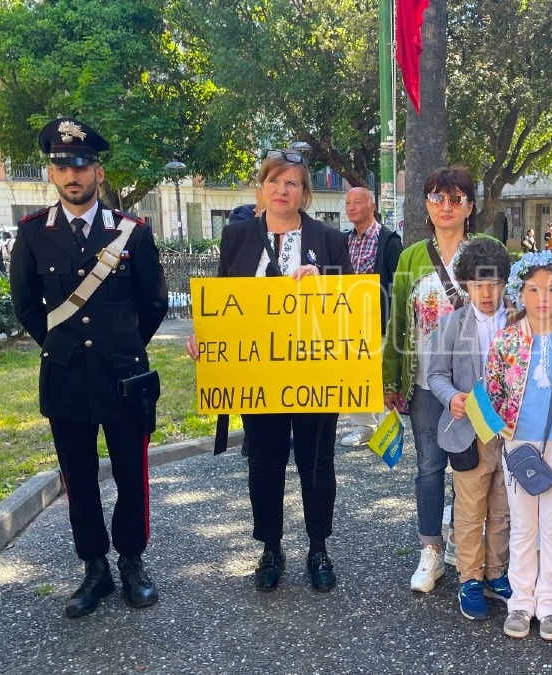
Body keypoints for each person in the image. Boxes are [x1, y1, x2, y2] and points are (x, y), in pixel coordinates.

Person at [9, 118, 168, 618]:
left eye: (80, 165)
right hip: (65, 377)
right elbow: (26, 305)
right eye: (62, 167)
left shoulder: (131, 233)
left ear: (98, 172)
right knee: (78, 480)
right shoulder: (33, 234)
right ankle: (94, 568)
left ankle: (132, 562)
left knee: (131, 476)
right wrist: (61, 347)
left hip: (123, 377)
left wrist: (124, 347)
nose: (72, 175)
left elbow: (154, 302)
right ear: (52, 174)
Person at [186, 150, 351, 594]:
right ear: (261, 188)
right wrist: (205, 335)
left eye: (292, 183)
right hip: (256, 373)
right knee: (264, 462)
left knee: (317, 462)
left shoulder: (330, 241)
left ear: (305, 193)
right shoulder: (237, 236)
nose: (282, 190)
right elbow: (222, 297)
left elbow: (352, 306)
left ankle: (318, 547)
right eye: (274, 181)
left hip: (316, 372)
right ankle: (271, 548)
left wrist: (325, 279)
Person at [382, 165, 499, 593]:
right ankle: (430, 549)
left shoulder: (488, 249)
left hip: (481, 383)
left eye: (455, 199)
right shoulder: (411, 257)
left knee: (476, 467)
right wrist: (391, 378)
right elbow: (398, 322)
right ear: (426, 205)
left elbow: (506, 310)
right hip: (427, 384)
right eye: (436, 198)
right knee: (430, 466)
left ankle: (468, 545)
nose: (445, 206)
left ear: (470, 205)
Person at [486, 252, 552, 641]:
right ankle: (520, 602)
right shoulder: (506, 339)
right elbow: (493, 387)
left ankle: (550, 605)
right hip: (518, 443)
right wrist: (503, 428)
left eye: (551, 289)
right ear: (520, 292)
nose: (543, 298)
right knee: (522, 526)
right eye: (533, 289)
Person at [425, 238, 513, 621]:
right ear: (466, 285)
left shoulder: (520, 322)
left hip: (511, 434)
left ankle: (497, 572)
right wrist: (451, 399)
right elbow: (436, 375)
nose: (487, 293)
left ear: (505, 282)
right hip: (469, 433)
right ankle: (470, 577)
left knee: (503, 509)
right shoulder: (450, 324)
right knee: (470, 509)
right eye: (478, 285)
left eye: (494, 284)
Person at [341, 186, 403, 447]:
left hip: (380, 318)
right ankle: (363, 427)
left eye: (358, 202)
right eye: (348, 203)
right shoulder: (343, 240)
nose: (352, 207)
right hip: (349, 319)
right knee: (355, 373)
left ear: (372, 206)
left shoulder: (389, 240)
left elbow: (397, 283)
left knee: (382, 373)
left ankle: (387, 430)